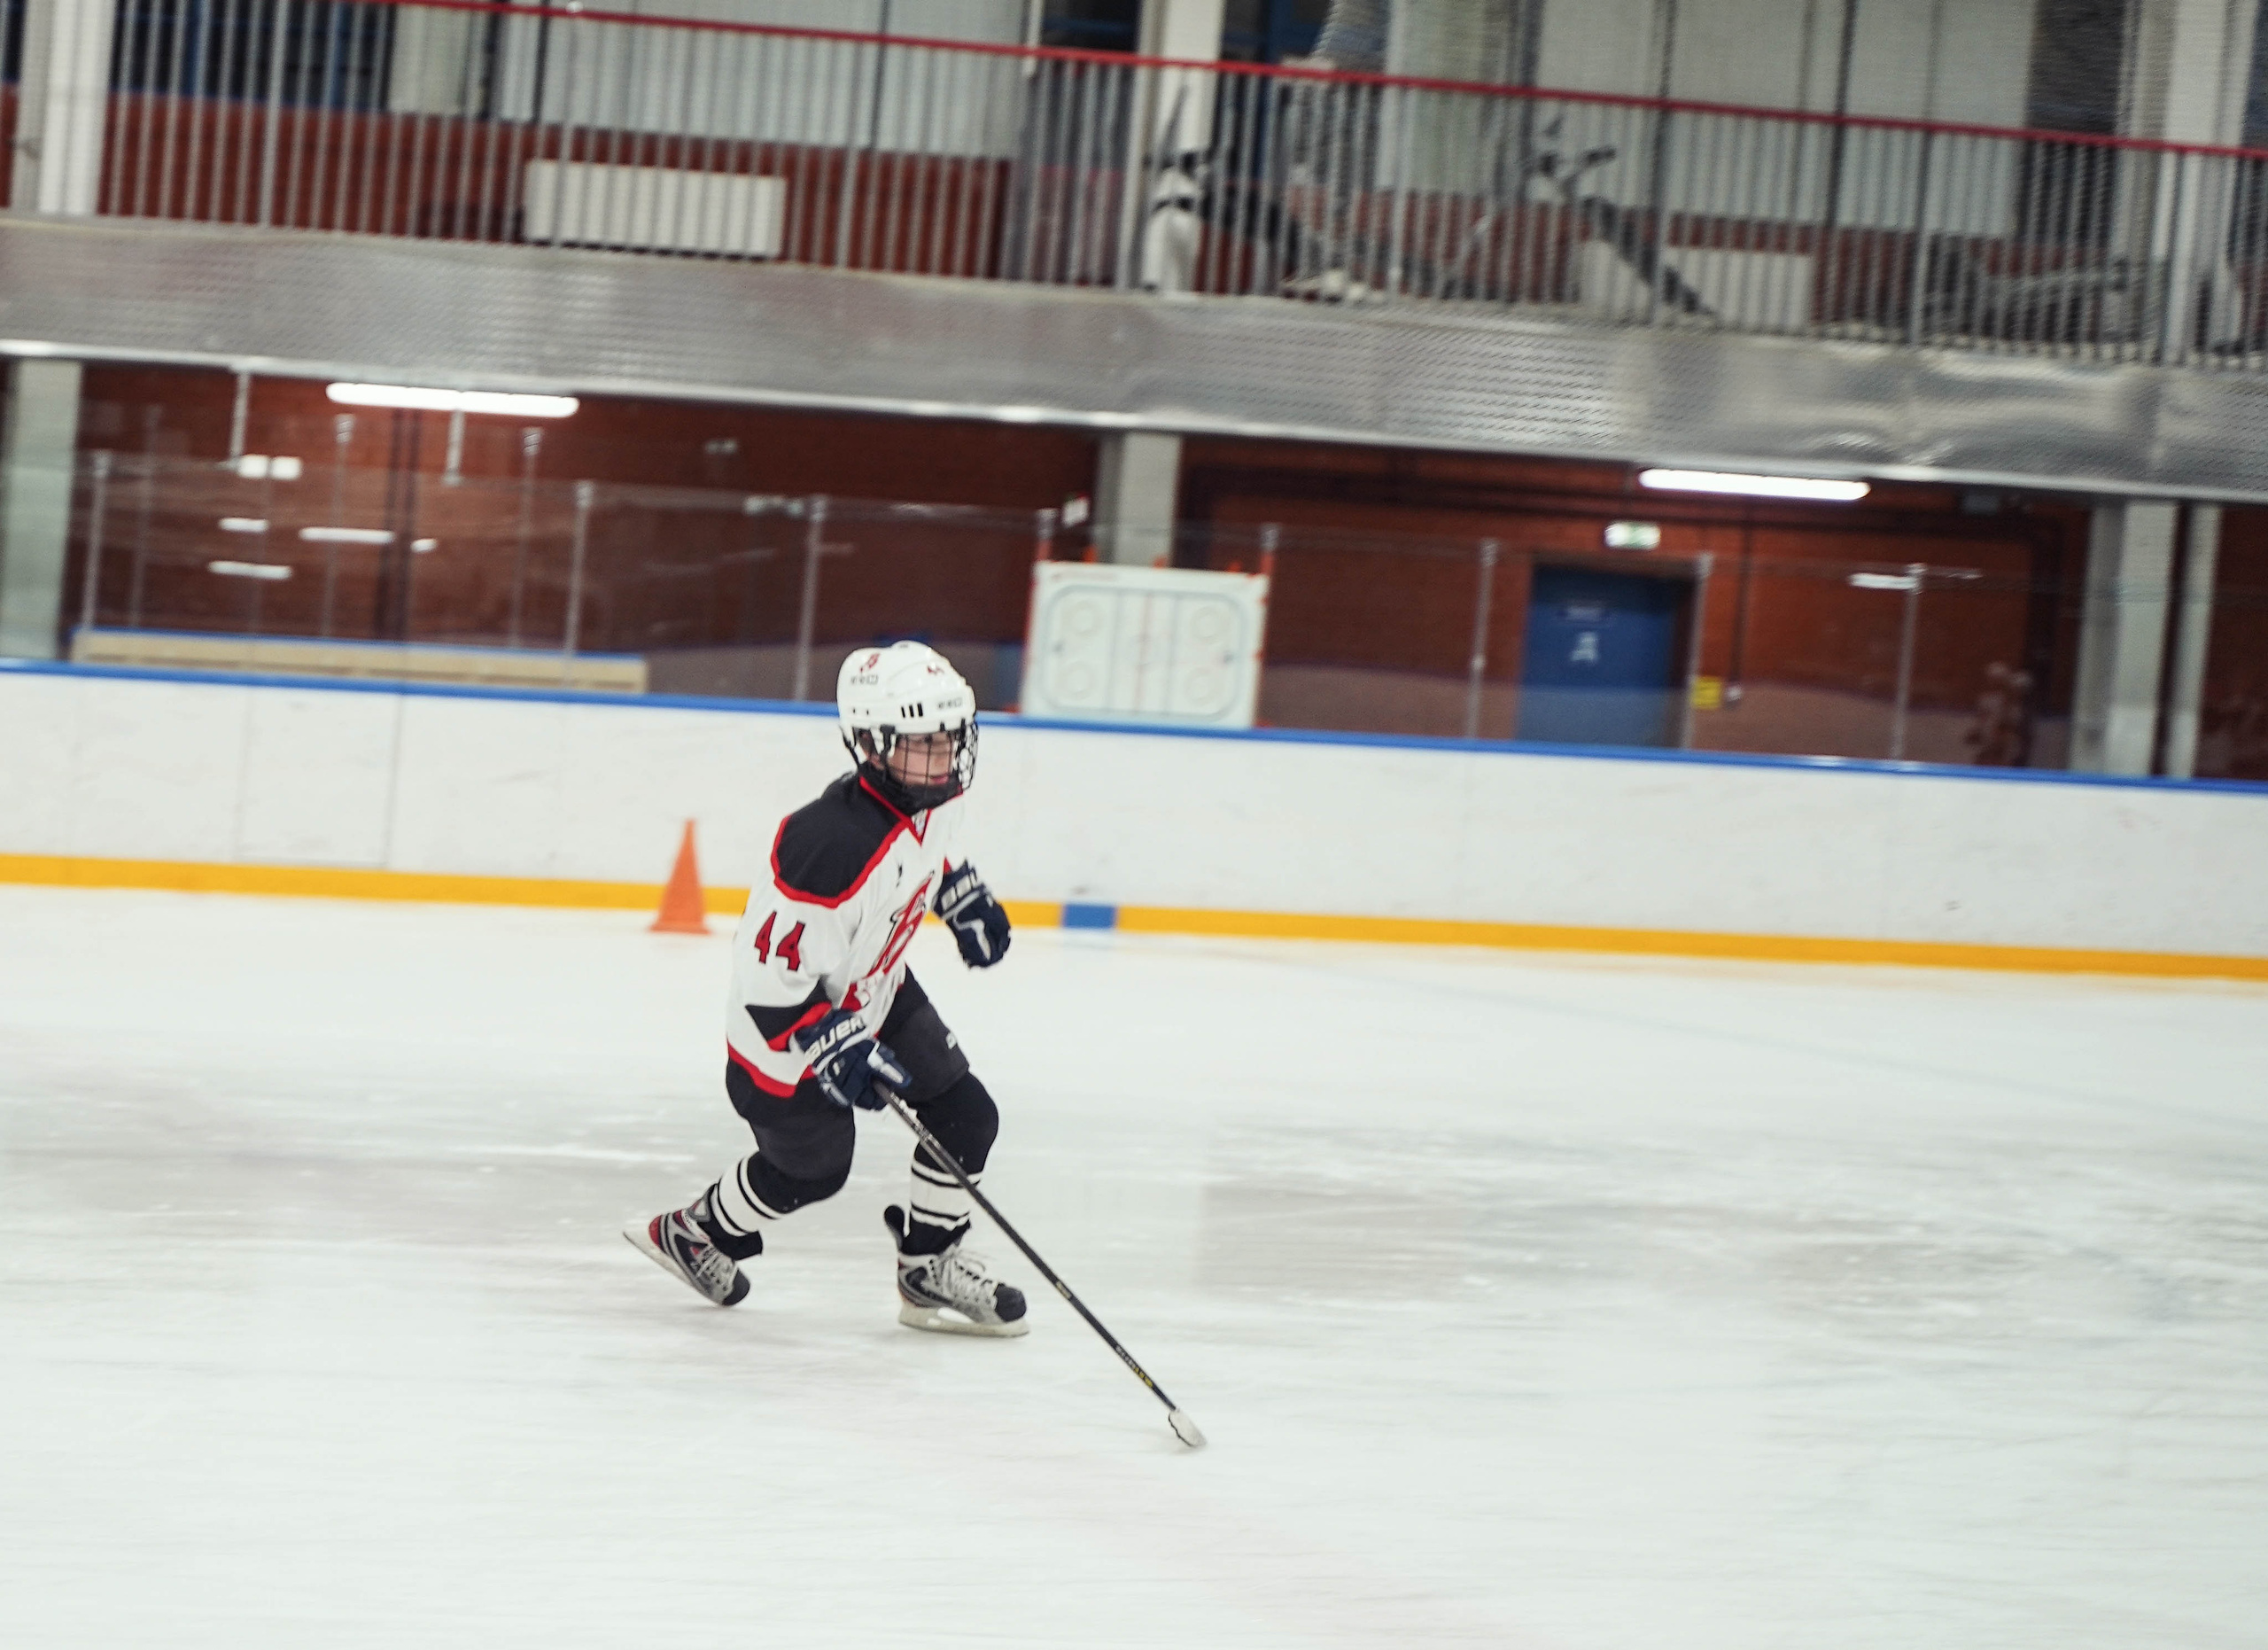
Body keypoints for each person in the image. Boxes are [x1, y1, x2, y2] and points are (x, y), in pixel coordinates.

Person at [625, 642, 1026, 1335]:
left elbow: (926, 850)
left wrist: (958, 893)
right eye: (924, 742)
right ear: (873, 746)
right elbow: (765, 973)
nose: (946, 755)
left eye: (951, 737)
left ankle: (928, 1266)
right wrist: (832, 1043)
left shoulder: (928, 795)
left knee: (967, 1116)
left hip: (877, 992)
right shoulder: (827, 843)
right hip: (784, 1039)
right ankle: (696, 1233)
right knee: (814, 1170)